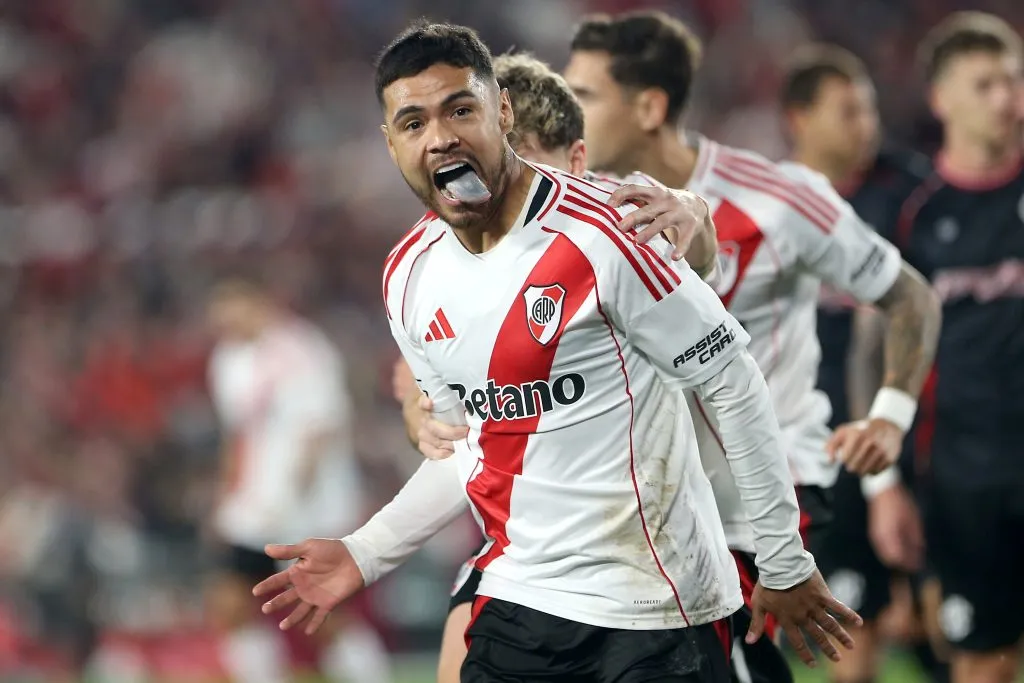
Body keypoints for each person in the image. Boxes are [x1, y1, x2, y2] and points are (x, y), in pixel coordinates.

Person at [256, 21, 861, 683]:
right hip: (525, 600)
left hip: (656, 609)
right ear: (390, 141)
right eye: (413, 122)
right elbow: (473, 445)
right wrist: (366, 551)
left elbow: (732, 380)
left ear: (501, 111)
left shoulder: (605, 234)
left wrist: (783, 559)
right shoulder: (409, 276)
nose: (440, 137)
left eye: (461, 109)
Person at [560, 9, 941, 680]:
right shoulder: (586, 212)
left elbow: (908, 294)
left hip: (773, 496)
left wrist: (890, 415)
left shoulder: (777, 198)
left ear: (648, 106)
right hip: (664, 500)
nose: (568, 107)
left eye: (585, 93)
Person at [387, 51, 723, 683]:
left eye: (524, 163)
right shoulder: (443, 260)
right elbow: (432, 392)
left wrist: (694, 207)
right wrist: (421, 416)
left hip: (665, 552)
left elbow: (700, 260)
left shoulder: (618, 230)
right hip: (525, 558)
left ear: (574, 162)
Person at [780, 43, 949, 683]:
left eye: (870, 109)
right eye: (848, 111)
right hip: (821, 448)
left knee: (942, 629)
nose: (866, 125)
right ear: (799, 117)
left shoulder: (910, 196)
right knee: (851, 628)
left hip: (914, 433)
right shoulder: (771, 208)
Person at [894, 13, 1024, 683]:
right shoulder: (914, 213)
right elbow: (885, 351)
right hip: (963, 477)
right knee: (981, 662)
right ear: (943, 99)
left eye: (1014, 80)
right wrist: (886, 486)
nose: (1009, 98)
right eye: (987, 84)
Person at [204, 276, 392, 683]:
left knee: (318, 609)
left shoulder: (302, 349)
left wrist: (292, 501)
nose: (223, 317)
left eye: (232, 305)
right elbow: (237, 434)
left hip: (306, 506)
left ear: (259, 302)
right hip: (252, 508)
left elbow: (320, 430)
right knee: (231, 603)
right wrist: (227, 496)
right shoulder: (227, 358)